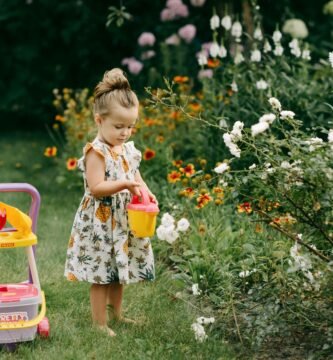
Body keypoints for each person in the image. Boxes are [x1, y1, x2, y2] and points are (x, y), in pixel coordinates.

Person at [64, 68, 156, 337]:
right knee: (102, 274)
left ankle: (117, 314)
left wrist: (145, 193)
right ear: (99, 120)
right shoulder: (97, 151)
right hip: (100, 222)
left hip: (123, 220)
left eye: (130, 126)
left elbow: (135, 175)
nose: (125, 132)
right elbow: (96, 187)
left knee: (119, 270)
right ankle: (99, 323)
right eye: (119, 127)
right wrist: (125, 185)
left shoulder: (127, 148)